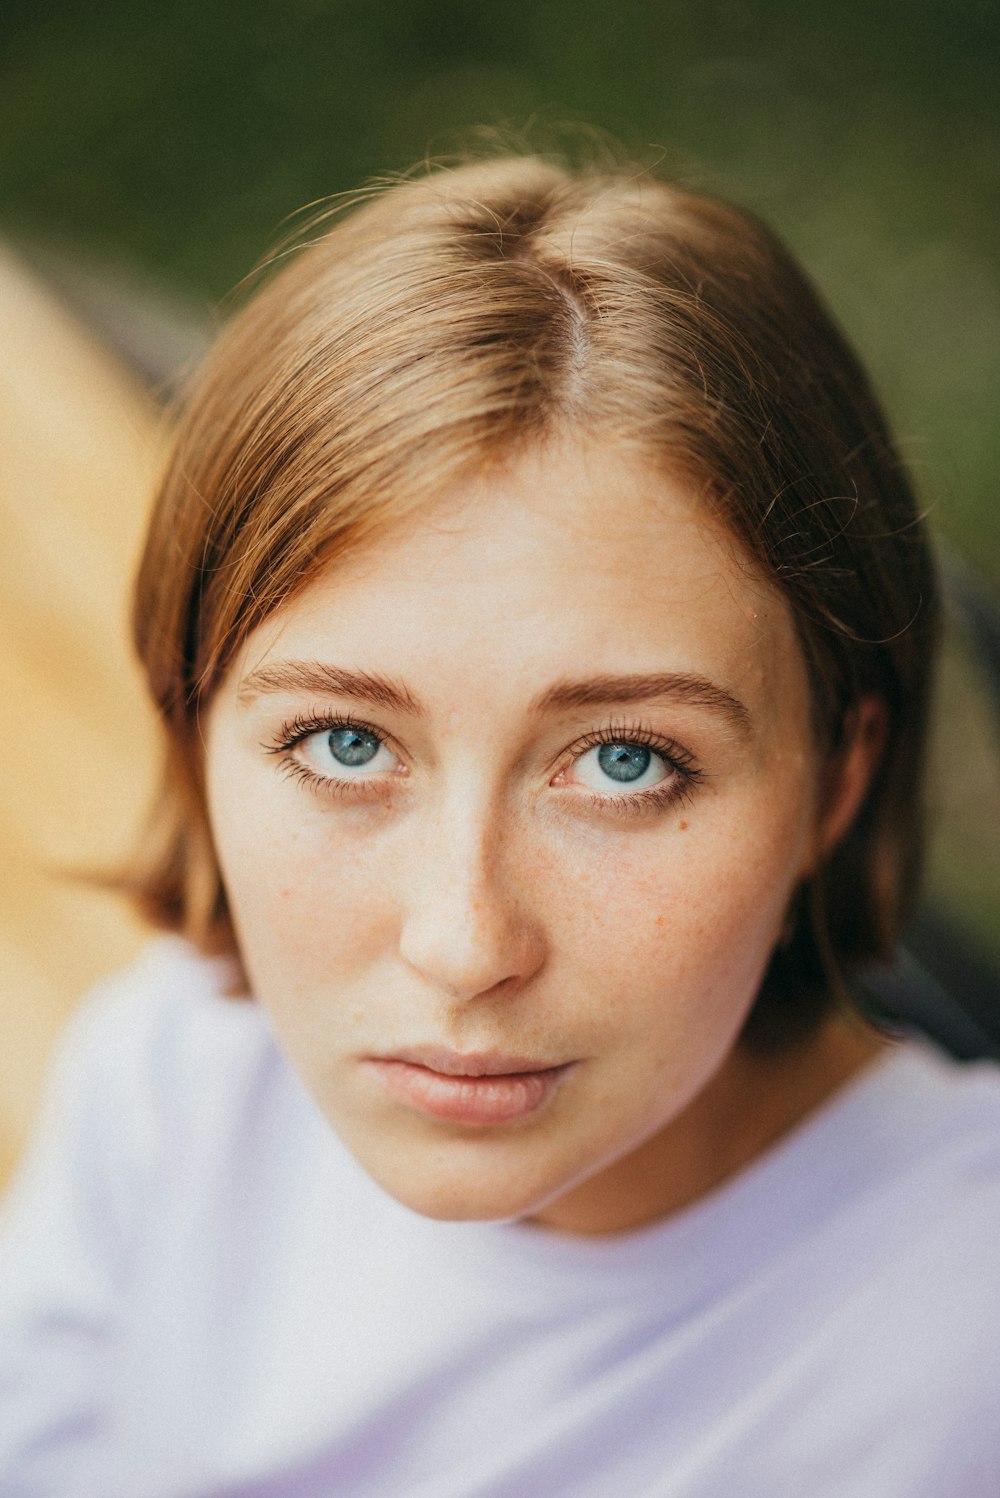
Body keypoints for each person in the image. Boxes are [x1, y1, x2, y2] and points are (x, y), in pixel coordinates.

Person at [2, 151, 998, 1497]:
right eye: (344, 743)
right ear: (192, 727)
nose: (464, 943)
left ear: (833, 778)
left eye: (627, 761)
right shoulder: (175, 1088)